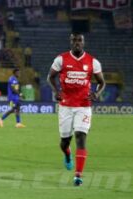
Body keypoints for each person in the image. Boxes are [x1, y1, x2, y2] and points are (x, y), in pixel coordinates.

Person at [47, 32, 105, 186]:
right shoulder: (61, 59)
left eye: (80, 40)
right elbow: (50, 77)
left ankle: (78, 175)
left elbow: (101, 82)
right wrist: (56, 91)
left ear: (84, 42)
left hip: (84, 106)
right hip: (65, 106)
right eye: (74, 40)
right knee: (65, 142)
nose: (77, 43)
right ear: (70, 42)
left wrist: (97, 93)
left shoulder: (93, 62)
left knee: (80, 136)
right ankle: (67, 154)